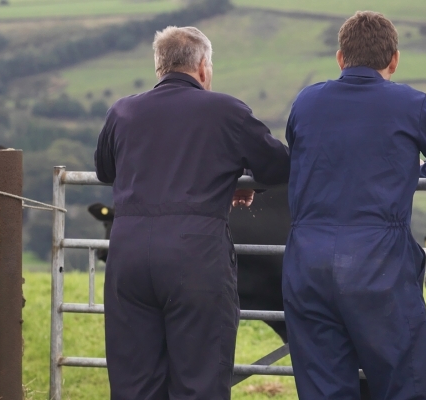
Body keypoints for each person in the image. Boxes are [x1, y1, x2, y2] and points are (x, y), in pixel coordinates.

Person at [281, 11, 426, 399]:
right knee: (405, 383)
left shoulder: (306, 101)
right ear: (394, 60)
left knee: (323, 387)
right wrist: (423, 166)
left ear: (340, 58)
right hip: (379, 263)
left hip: (307, 261)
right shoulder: (409, 103)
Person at [94, 26, 290, 400]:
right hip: (195, 254)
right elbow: (279, 166)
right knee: (199, 379)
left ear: (159, 67)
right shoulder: (225, 110)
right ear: (203, 67)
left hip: (129, 255)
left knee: (134, 381)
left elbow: (106, 170)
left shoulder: (122, 111)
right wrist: (237, 179)